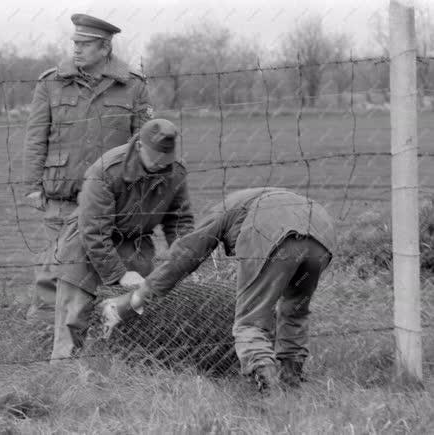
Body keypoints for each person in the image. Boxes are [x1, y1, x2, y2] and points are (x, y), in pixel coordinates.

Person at [100, 187, 336, 393]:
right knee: (294, 310)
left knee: (250, 323)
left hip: (273, 233)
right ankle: (291, 383)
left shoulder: (221, 213)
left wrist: (135, 299)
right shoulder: (252, 200)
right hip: (321, 234)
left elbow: (183, 258)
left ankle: (271, 392)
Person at [23, 13, 153, 320]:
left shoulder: (132, 86)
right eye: (75, 43)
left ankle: (119, 329)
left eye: (85, 44)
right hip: (63, 196)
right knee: (58, 269)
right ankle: (44, 334)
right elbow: (35, 137)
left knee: (122, 266)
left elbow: (143, 144)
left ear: (105, 48)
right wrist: (32, 186)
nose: (76, 49)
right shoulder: (52, 83)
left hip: (115, 200)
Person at [50, 119, 194, 361]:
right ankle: (63, 381)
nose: (160, 164)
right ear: (139, 146)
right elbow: (94, 230)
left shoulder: (175, 172)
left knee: (135, 314)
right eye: (155, 157)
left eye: (165, 158)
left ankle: (117, 377)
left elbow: (179, 221)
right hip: (85, 245)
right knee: (74, 318)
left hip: (135, 246)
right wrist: (118, 274)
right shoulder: (106, 170)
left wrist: (186, 261)